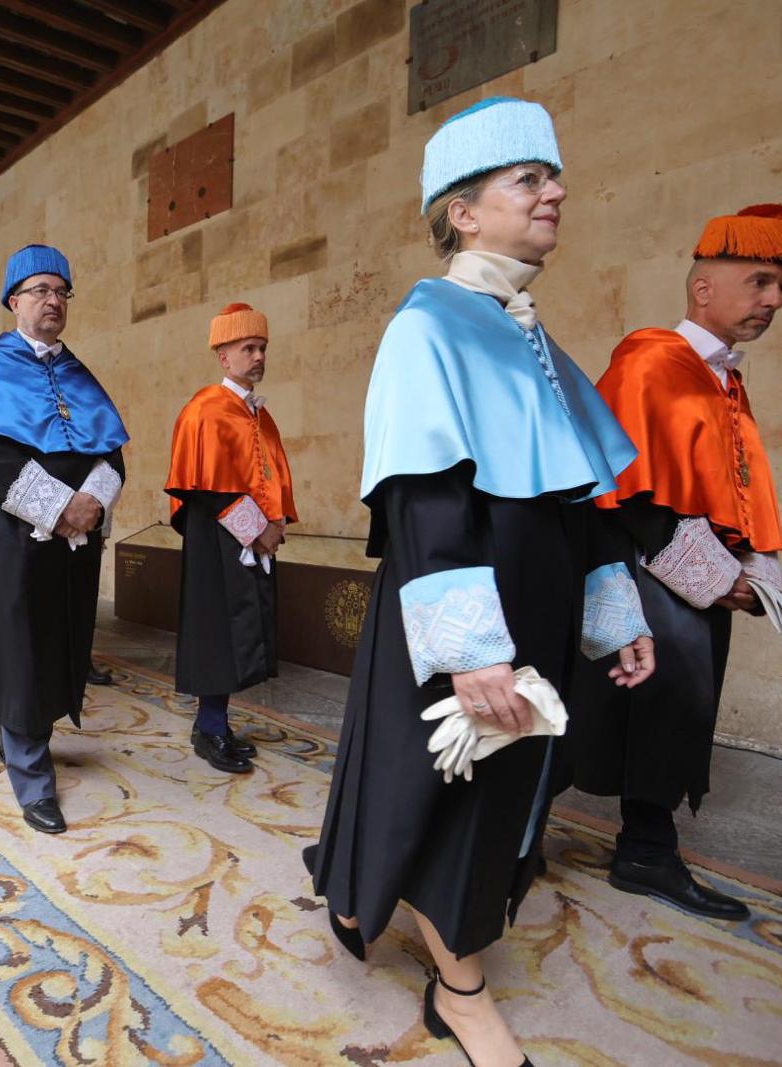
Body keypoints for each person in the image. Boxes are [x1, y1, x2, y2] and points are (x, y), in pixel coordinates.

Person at [301, 98, 655, 1067]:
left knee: (486, 792)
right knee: (453, 795)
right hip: (466, 607)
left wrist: (612, 611)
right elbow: (423, 500)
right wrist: (471, 652)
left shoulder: (531, 334)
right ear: (462, 212)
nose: (555, 193)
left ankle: (357, 889)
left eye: (553, 177)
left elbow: (580, 497)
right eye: (527, 179)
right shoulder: (429, 326)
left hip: (537, 603)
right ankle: (460, 991)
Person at [563, 204, 782, 922]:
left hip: (695, 578)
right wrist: (718, 578)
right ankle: (501, 836)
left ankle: (645, 850)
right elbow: (630, 490)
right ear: (703, 288)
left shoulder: (723, 381)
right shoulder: (652, 361)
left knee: (669, 710)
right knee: (626, 708)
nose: (774, 301)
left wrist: (752, 570)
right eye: (760, 281)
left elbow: (731, 488)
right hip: (647, 574)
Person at [0, 244, 127, 836]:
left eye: (61, 292)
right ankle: (32, 772)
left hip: (74, 542)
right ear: (14, 301)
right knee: (18, 643)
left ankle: (23, 734)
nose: (53, 301)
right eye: (40, 291)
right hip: (13, 536)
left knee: (58, 637)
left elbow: (111, 452)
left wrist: (92, 503)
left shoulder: (79, 373)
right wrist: (59, 507)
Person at [164, 302, 295, 775]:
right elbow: (207, 488)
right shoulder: (205, 409)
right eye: (248, 348)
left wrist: (275, 524)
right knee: (215, 631)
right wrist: (257, 530)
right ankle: (210, 728)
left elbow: (270, 478)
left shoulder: (260, 416)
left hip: (250, 540)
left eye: (262, 348)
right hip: (216, 538)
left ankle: (216, 721)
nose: (258, 356)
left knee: (239, 632)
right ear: (223, 356)